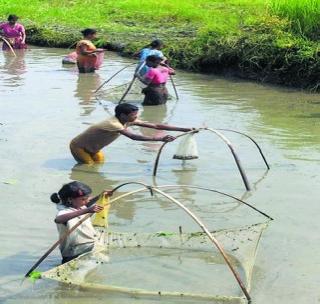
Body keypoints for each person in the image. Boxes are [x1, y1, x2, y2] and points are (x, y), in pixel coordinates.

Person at [70, 103, 192, 164]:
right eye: (133, 115)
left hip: (94, 149)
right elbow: (133, 137)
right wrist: (159, 138)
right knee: (89, 167)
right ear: (123, 115)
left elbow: (156, 125)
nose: (136, 117)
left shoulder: (127, 121)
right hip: (79, 147)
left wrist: (184, 129)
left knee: (99, 164)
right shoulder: (113, 124)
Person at [51, 181, 110, 263]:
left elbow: (88, 202)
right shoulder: (65, 211)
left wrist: (101, 196)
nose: (86, 201)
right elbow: (58, 219)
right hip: (73, 253)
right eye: (83, 199)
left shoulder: (79, 205)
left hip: (86, 248)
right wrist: (87, 210)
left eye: (87, 198)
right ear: (70, 199)